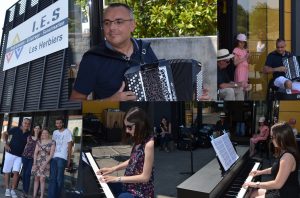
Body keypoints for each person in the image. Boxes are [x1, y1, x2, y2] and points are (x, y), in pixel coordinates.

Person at [70, 3, 158, 101]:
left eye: (119, 22)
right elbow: (75, 100)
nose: (111, 28)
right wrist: (110, 101)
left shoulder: (145, 49)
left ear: (132, 25)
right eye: (107, 23)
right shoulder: (92, 59)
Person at [98, 107, 154, 198]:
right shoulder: (138, 139)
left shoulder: (149, 144)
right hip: (128, 185)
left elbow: (145, 177)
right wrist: (112, 169)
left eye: (129, 127)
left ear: (140, 124)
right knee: (103, 184)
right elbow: (133, 160)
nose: (127, 130)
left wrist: (117, 179)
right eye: (125, 126)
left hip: (141, 191)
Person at [243, 122, 300, 198]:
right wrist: (260, 172)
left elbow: (277, 184)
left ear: (281, 137)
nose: (272, 140)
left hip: (285, 194)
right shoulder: (283, 150)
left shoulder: (287, 157)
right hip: (280, 189)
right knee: (251, 194)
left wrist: (255, 184)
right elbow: (277, 168)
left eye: (273, 137)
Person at [1, 118, 31, 198]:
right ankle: (7, 189)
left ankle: (13, 190)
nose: (26, 125)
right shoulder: (16, 129)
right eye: (25, 123)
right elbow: (4, 133)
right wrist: (5, 143)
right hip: (10, 153)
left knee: (16, 173)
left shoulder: (29, 134)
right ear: (22, 123)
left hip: (20, 156)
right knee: (7, 171)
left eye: (28, 123)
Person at [48, 118, 73, 198]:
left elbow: (70, 147)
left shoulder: (67, 132)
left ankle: (58, 196)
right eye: (57, 123)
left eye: (60, 123)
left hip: (62, 158)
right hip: (54, 157)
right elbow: (52, 145)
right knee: (52, 179)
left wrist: (69, 159)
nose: (58, 124)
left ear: (62, 123)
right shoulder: (54, 132)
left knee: (59, 179)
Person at [32, 128, 55, 198]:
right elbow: (35, 153)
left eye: (46, 133)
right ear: (41, 134)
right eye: (43, 133)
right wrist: (34, 163)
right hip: (38, 162)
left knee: (42, 179)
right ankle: (34, 195)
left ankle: (41, 196)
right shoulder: (39, 141)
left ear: (48, 134)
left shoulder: (52, 142)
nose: (44, 134)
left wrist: (45, 164)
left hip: (46, 162)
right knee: (36, 179)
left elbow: (51, 155)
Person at [21, 124, 41, 197]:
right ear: (34, 129)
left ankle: (25, 192)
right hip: (25, 157)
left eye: (38, 128)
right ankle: (24, 191)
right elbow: (25, 146)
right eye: (36, 128)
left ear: (40, 130)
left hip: (33, 159)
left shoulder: (40, 140)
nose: (37, 129)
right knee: (24, 174)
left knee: (28, 174)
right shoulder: (29, 137)